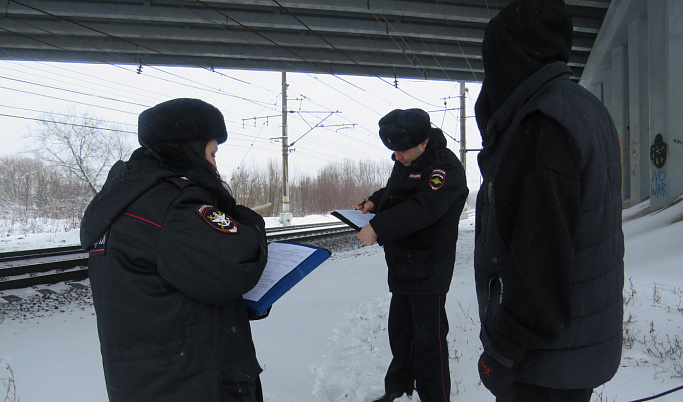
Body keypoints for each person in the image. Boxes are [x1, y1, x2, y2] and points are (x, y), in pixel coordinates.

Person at [472, 1, 625, 401]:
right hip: (576, 343)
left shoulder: (542, 125)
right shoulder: (585, 107)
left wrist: (502, 352)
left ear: (507, 57)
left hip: (544, 363)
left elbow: (539, 259)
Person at [80, 98, 269, 402]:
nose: (215, 164)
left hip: (152, 380)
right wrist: (249, 220)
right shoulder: (172, 205)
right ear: (189, 150)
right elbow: (237, 264)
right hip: (195, 382)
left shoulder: (126, 201)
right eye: (212, 153)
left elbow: (172, 289)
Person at [355, 108, 468, 402]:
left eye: (401, 151)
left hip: (429, 267)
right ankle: (398, 387)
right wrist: (374, 201)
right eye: (393, 151)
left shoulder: (445, 169)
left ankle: (436, 397)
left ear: (423, 142)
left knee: (429, 341)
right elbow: (399, 190)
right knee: (401, 333)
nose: (396, 157)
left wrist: (378, 227)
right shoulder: (408, 160)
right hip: (403, 263)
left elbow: (423, 208)